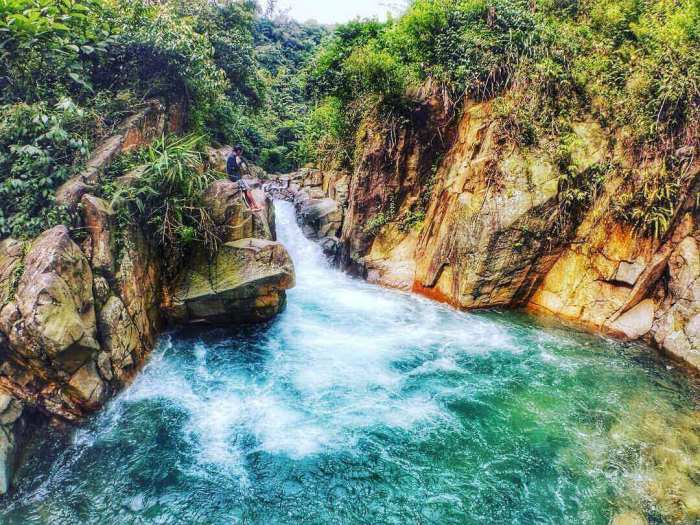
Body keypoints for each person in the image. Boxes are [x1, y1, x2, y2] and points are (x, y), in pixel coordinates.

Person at [227, 145, 262, 212]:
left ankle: (252, 207)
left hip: (235, 176)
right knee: (248, 190)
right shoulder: (232, 157)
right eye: (241, 152)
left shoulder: (232, 156)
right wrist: (240, 163)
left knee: (245, 191)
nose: (241, 153)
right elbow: (233, 168)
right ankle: (255, 206)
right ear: (238, 151)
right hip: (234, 177)